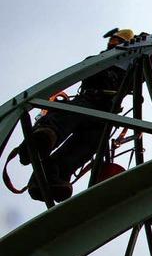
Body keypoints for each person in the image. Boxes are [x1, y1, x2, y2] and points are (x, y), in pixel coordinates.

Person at [17, 28, 136, 202]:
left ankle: (53, 177)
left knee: (88, 146)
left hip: (105, 113)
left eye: (117, 40)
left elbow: (138, 79)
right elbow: (91, 72)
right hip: (90, 99)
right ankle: (42, 138)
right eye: (114, 40)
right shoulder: (103, 60)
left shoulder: (131, 62)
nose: (113, 42)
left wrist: (144, 51)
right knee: (66, 117)